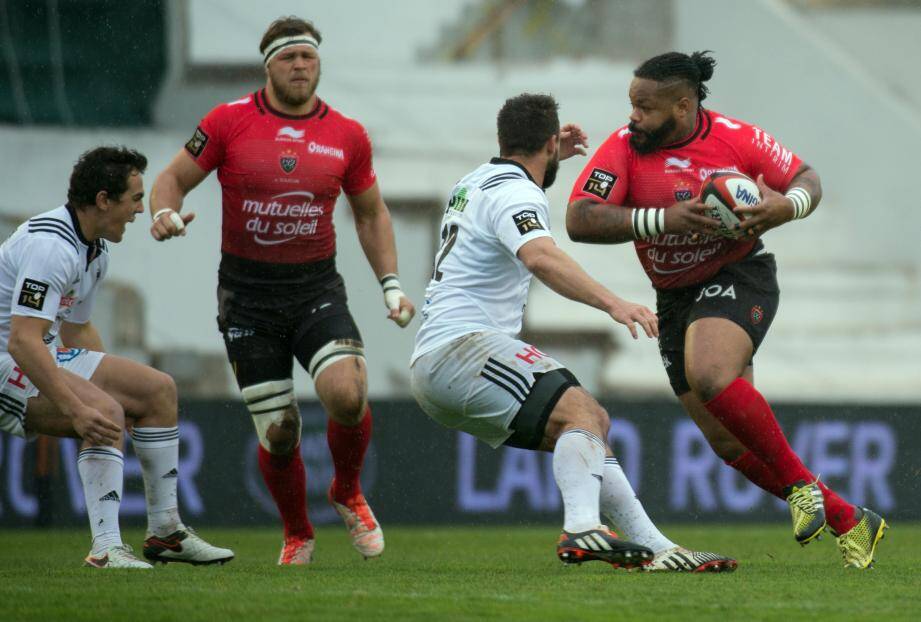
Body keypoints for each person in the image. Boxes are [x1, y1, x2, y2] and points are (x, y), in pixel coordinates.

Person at [566, 51, 887, 569]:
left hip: (739, 275)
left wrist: (788, 206)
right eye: (631, 104)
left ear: (683, 105)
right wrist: (665, 219)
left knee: (710, 374)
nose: (633, 117)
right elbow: (580, 218)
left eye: (645, 108)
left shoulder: (736, 138)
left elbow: (807, 178)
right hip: (674, 298)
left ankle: (803, 487)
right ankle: (851, 520)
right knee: (724, 440)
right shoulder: (624, 148)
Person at [410, 93, 737, 572]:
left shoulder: (475, 180)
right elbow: (540, 257)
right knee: (583, 411)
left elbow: (514, 181)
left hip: (445, 354)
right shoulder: (517, 192)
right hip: (462, 350)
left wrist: (547, 155)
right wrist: (614, 303)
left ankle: (656, 549)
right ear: (547, 142)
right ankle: (582, 527)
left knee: (586, 426)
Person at [149, 16, 415, 565]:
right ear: (267, 64)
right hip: (246, 297)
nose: (300, 66)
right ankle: (298, 532)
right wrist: (164, 212)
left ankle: (346, 489)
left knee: (346, 394)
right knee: (281, 433)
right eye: (289, 57)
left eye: (309, 57)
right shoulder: (227, 122)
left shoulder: (347, 134)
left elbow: (371, 214)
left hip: (315, 288)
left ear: (319, 63)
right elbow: (171, 178)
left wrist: (390, 285)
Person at [0, 146, 233, 568]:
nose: (140, 210)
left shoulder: (95, 249)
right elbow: (22, 341)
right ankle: (106, 548)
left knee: (157, 390)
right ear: (104, 200)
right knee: (101, 412)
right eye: (135, 199)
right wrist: (77, 407)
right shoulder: (51, 248)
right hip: (7, 356)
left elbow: (77, 330)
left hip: (36, 350)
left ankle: (166, 533)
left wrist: (115, 393)